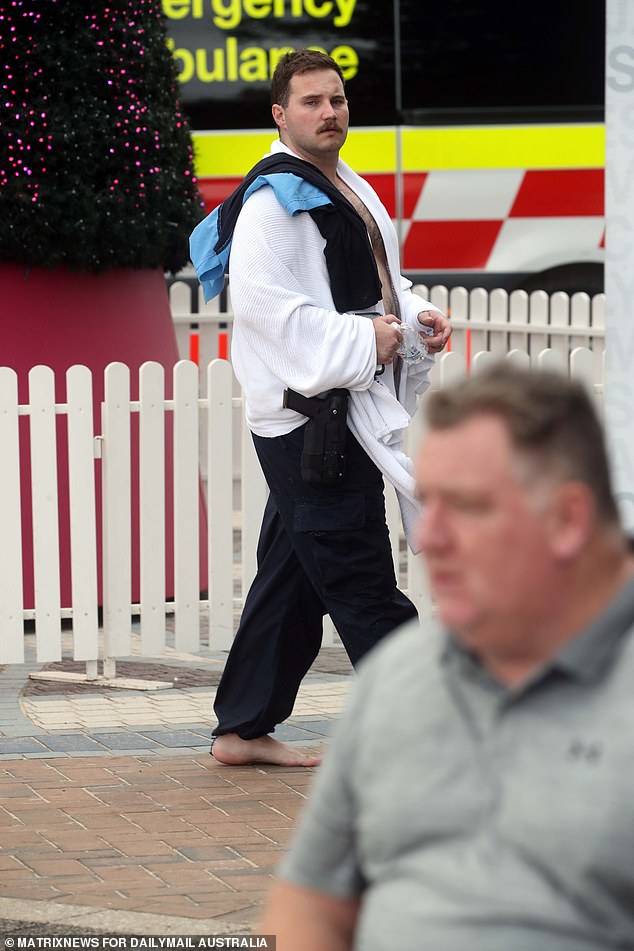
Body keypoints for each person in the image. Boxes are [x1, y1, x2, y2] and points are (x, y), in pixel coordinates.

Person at [260, 362, 634, 950]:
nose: (429, 537)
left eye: (466, 506)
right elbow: (309, 901)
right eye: (429, 502)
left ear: (568, 520)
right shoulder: (398, 677)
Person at [189, 49, 451, 768]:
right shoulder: (272, 206)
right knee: (362, 580)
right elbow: (271, 314)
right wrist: (371, 339)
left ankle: (242, 728)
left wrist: (415, 316)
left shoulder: (346, 183)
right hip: (313, 423)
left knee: (294, 578)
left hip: (334, 408)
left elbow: (382, 284)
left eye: (336, 99)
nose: (329, 112)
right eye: (311, 101)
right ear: (280, 114)